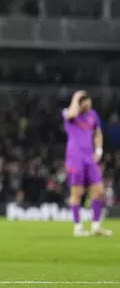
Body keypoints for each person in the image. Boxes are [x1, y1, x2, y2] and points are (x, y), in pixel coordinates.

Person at [62, 91, 112, 237]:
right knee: (77, 193)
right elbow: (71, 114)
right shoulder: (69, 113)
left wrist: (99, 150)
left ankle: (96, 226)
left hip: (89, 158)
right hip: (74, 157)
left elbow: (98, 132)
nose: (87, 103)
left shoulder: (93, 115)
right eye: (83, 100)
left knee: (99, 190)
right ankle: (78, 228)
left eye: (87, 100)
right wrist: (75, 98)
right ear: (78, 102)